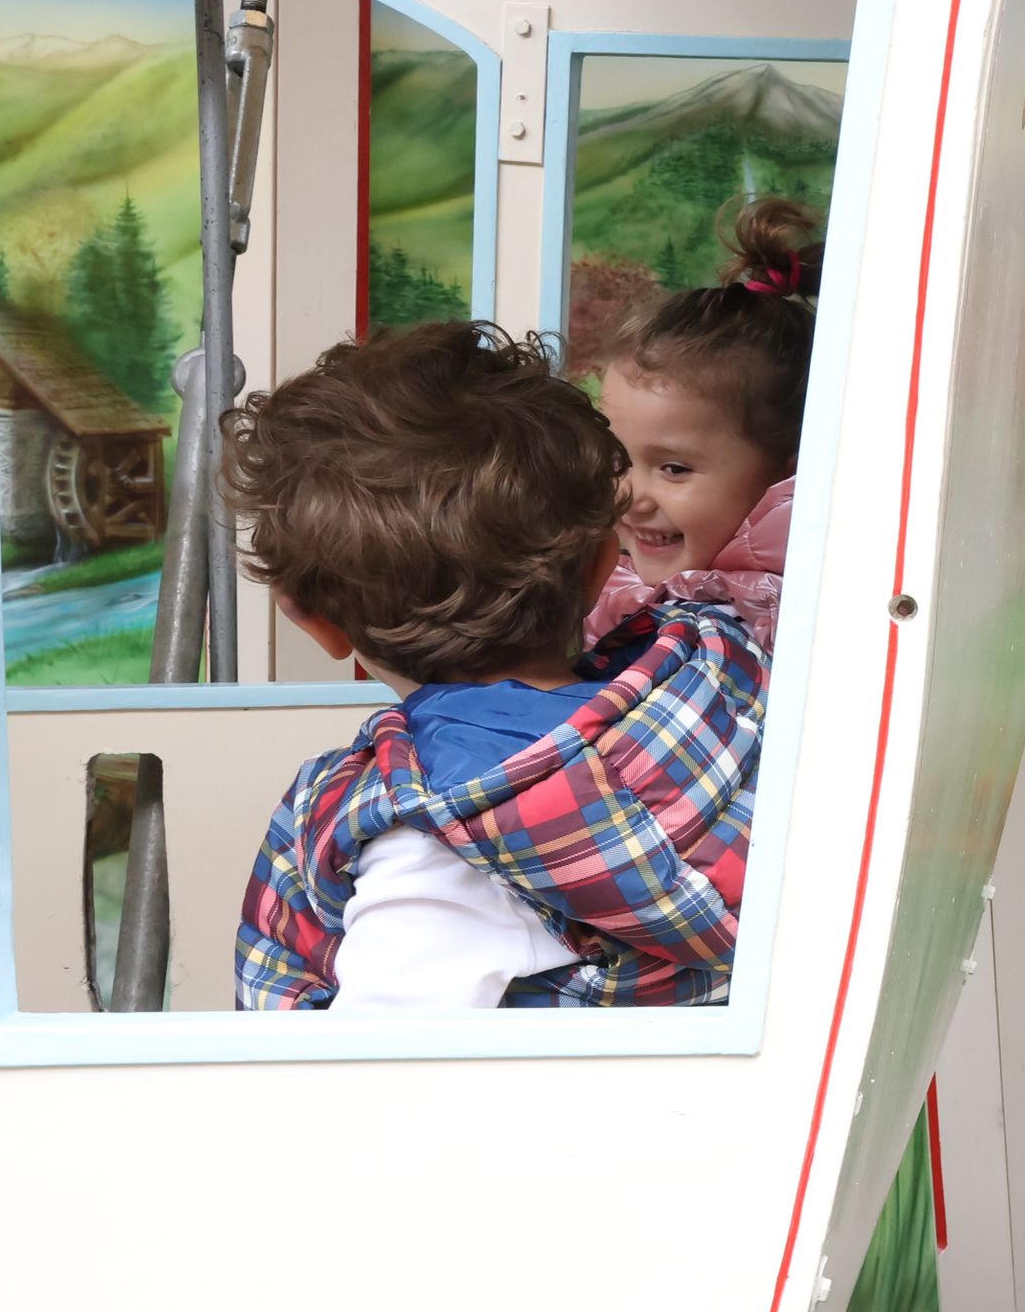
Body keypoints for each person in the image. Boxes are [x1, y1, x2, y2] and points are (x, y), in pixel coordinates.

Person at [227, 321, 768, 1012]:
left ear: (312, 620)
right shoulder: (720, 687)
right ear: (603, 565)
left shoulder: (428, 845)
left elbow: (377, 1070)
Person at [585, 195, 818, 655]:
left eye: (674, 469)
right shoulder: (615, 585)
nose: (630, 496)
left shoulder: (764, 623)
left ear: (786, 477)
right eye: (616, 460)